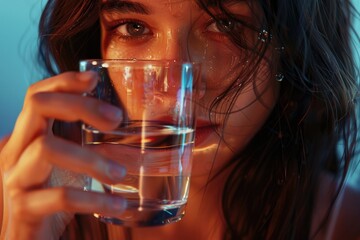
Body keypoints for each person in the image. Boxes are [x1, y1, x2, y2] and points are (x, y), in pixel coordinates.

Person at [0, 0, 359, 239]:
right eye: (133, 28)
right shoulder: (18, 188)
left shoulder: (345, 224)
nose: (172, 91)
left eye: (225, 24)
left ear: (290, 49)